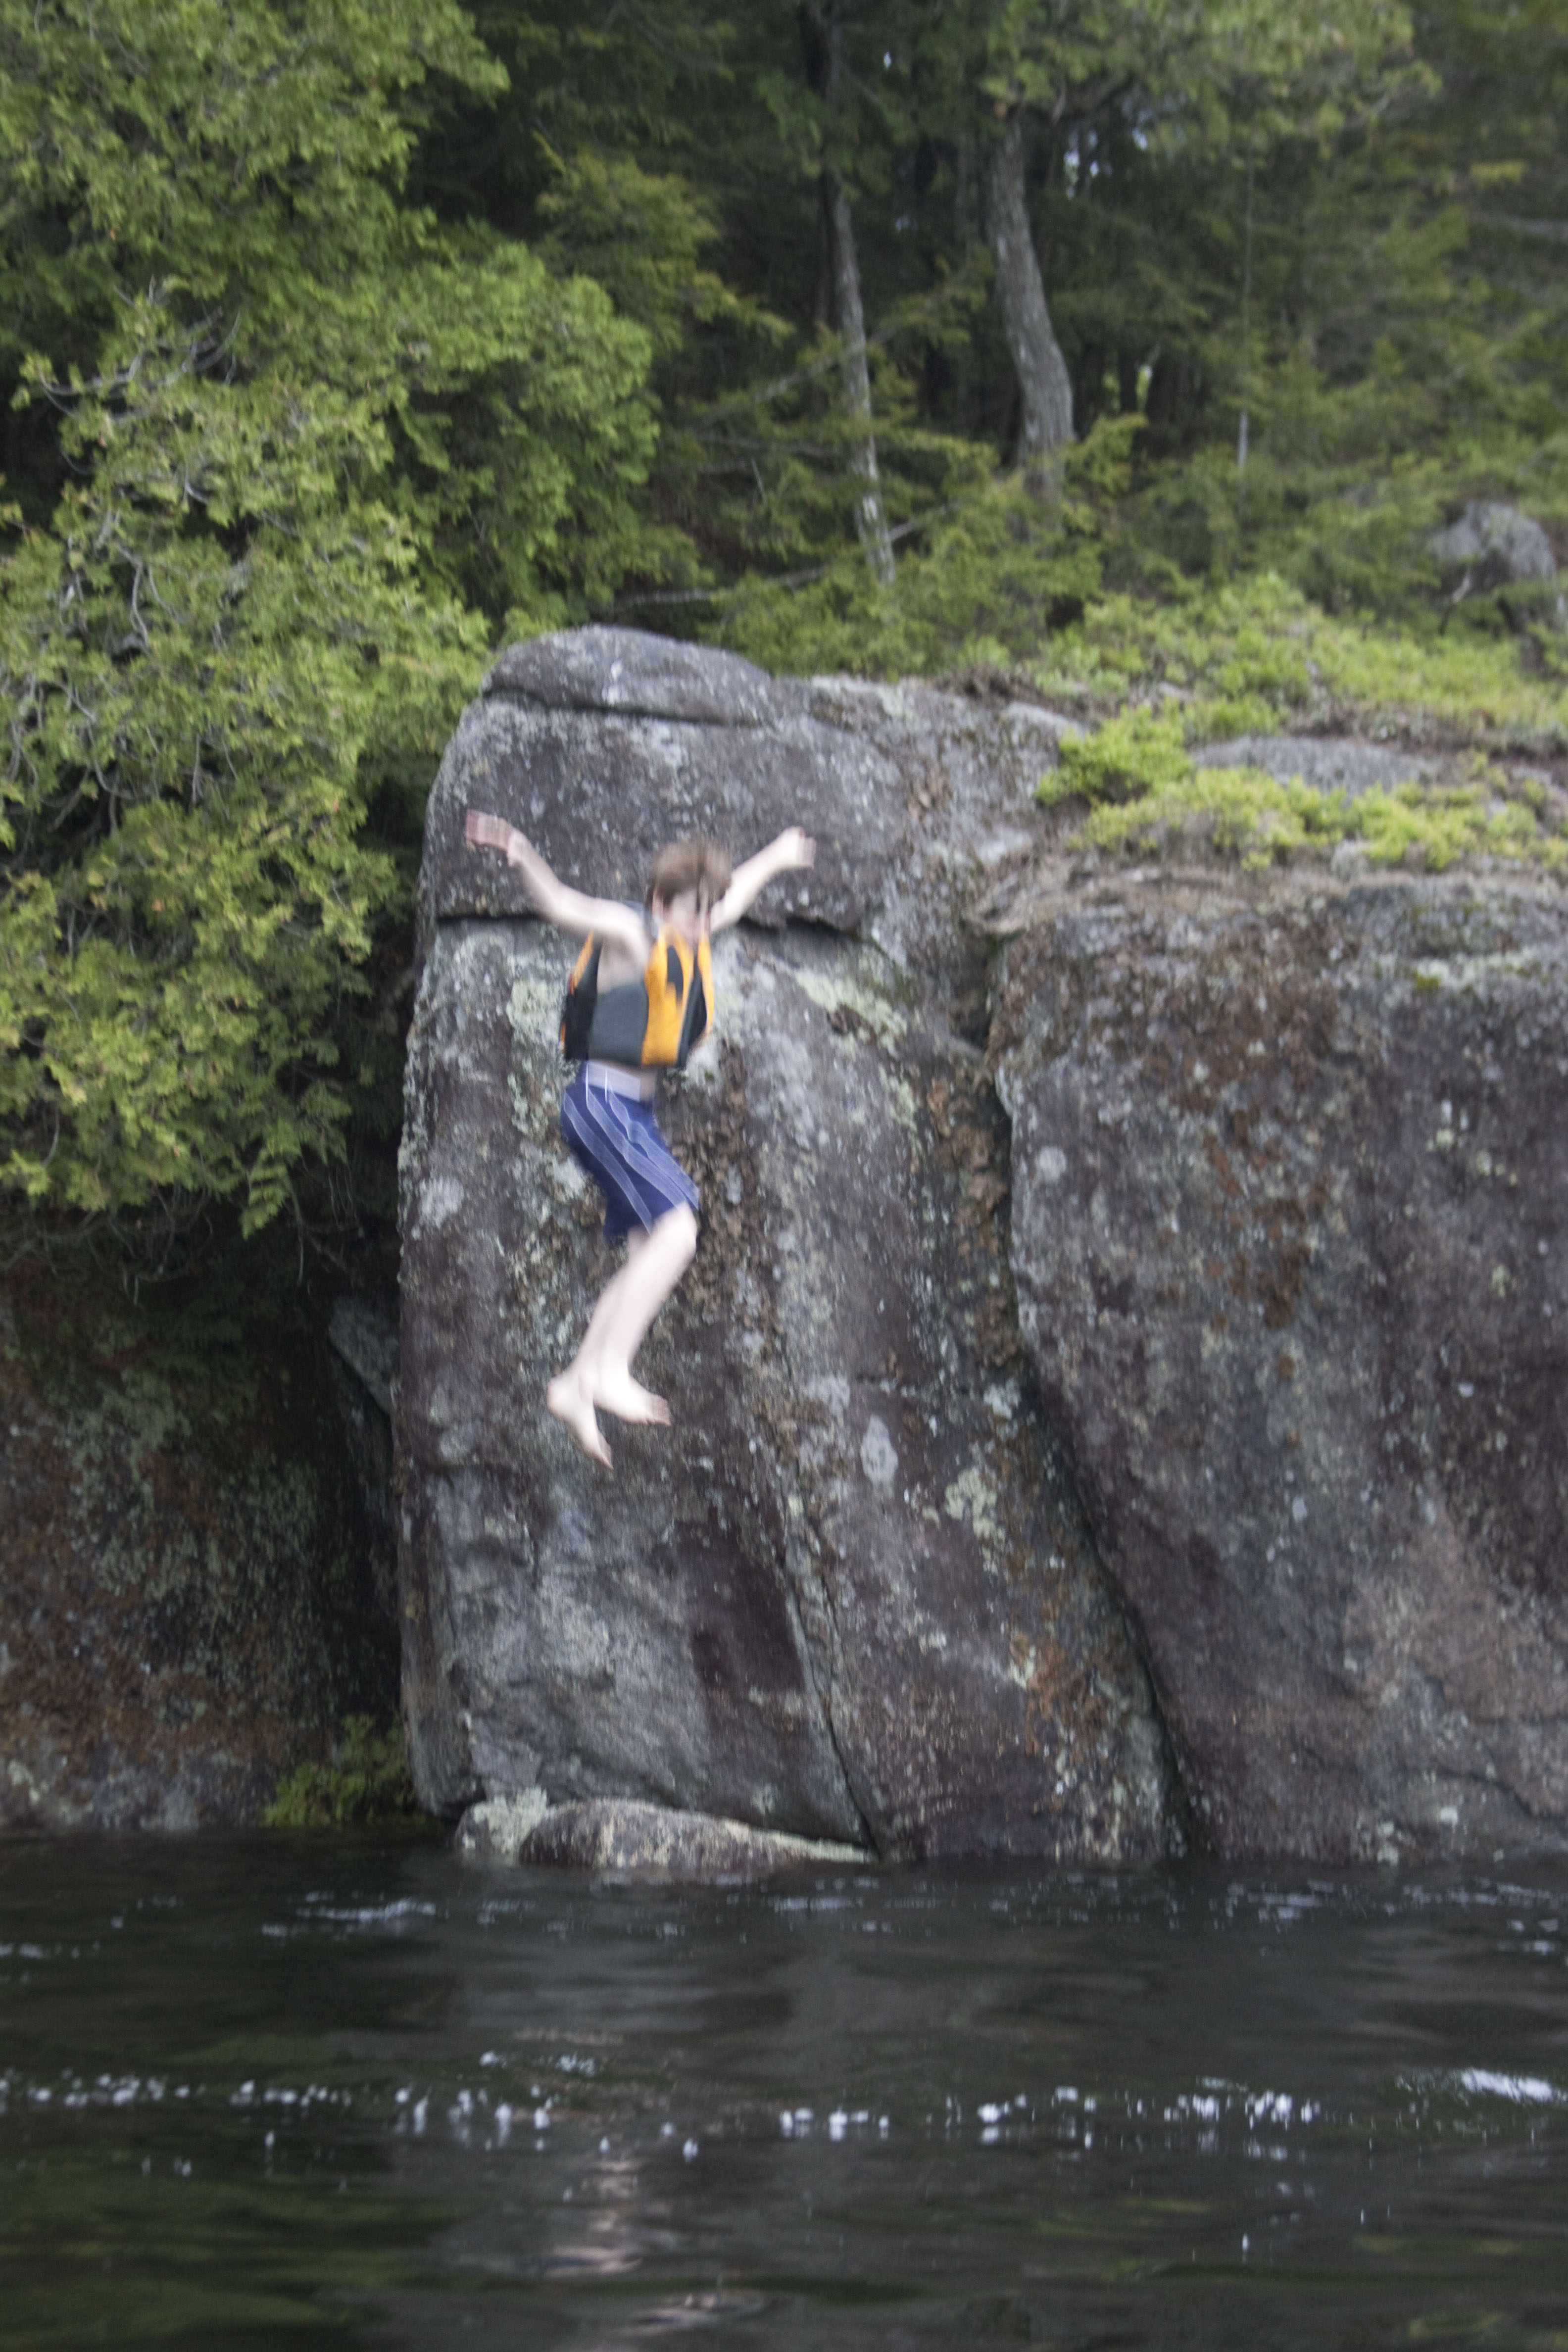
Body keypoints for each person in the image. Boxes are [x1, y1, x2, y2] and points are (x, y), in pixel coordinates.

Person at [464, 811, 816, 1467]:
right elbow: (563, 904)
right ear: (660, 903)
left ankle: (577, 1383)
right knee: (679, 1232)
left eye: (709, 913)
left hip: (631, 1116)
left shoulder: (694, 933)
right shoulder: (633, 932)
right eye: (694, 912)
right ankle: (609, 1371)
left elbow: (735, 895)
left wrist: (778, 855)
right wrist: (519, 851)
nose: (705, 924)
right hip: (604, 1106)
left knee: (649, 1252)